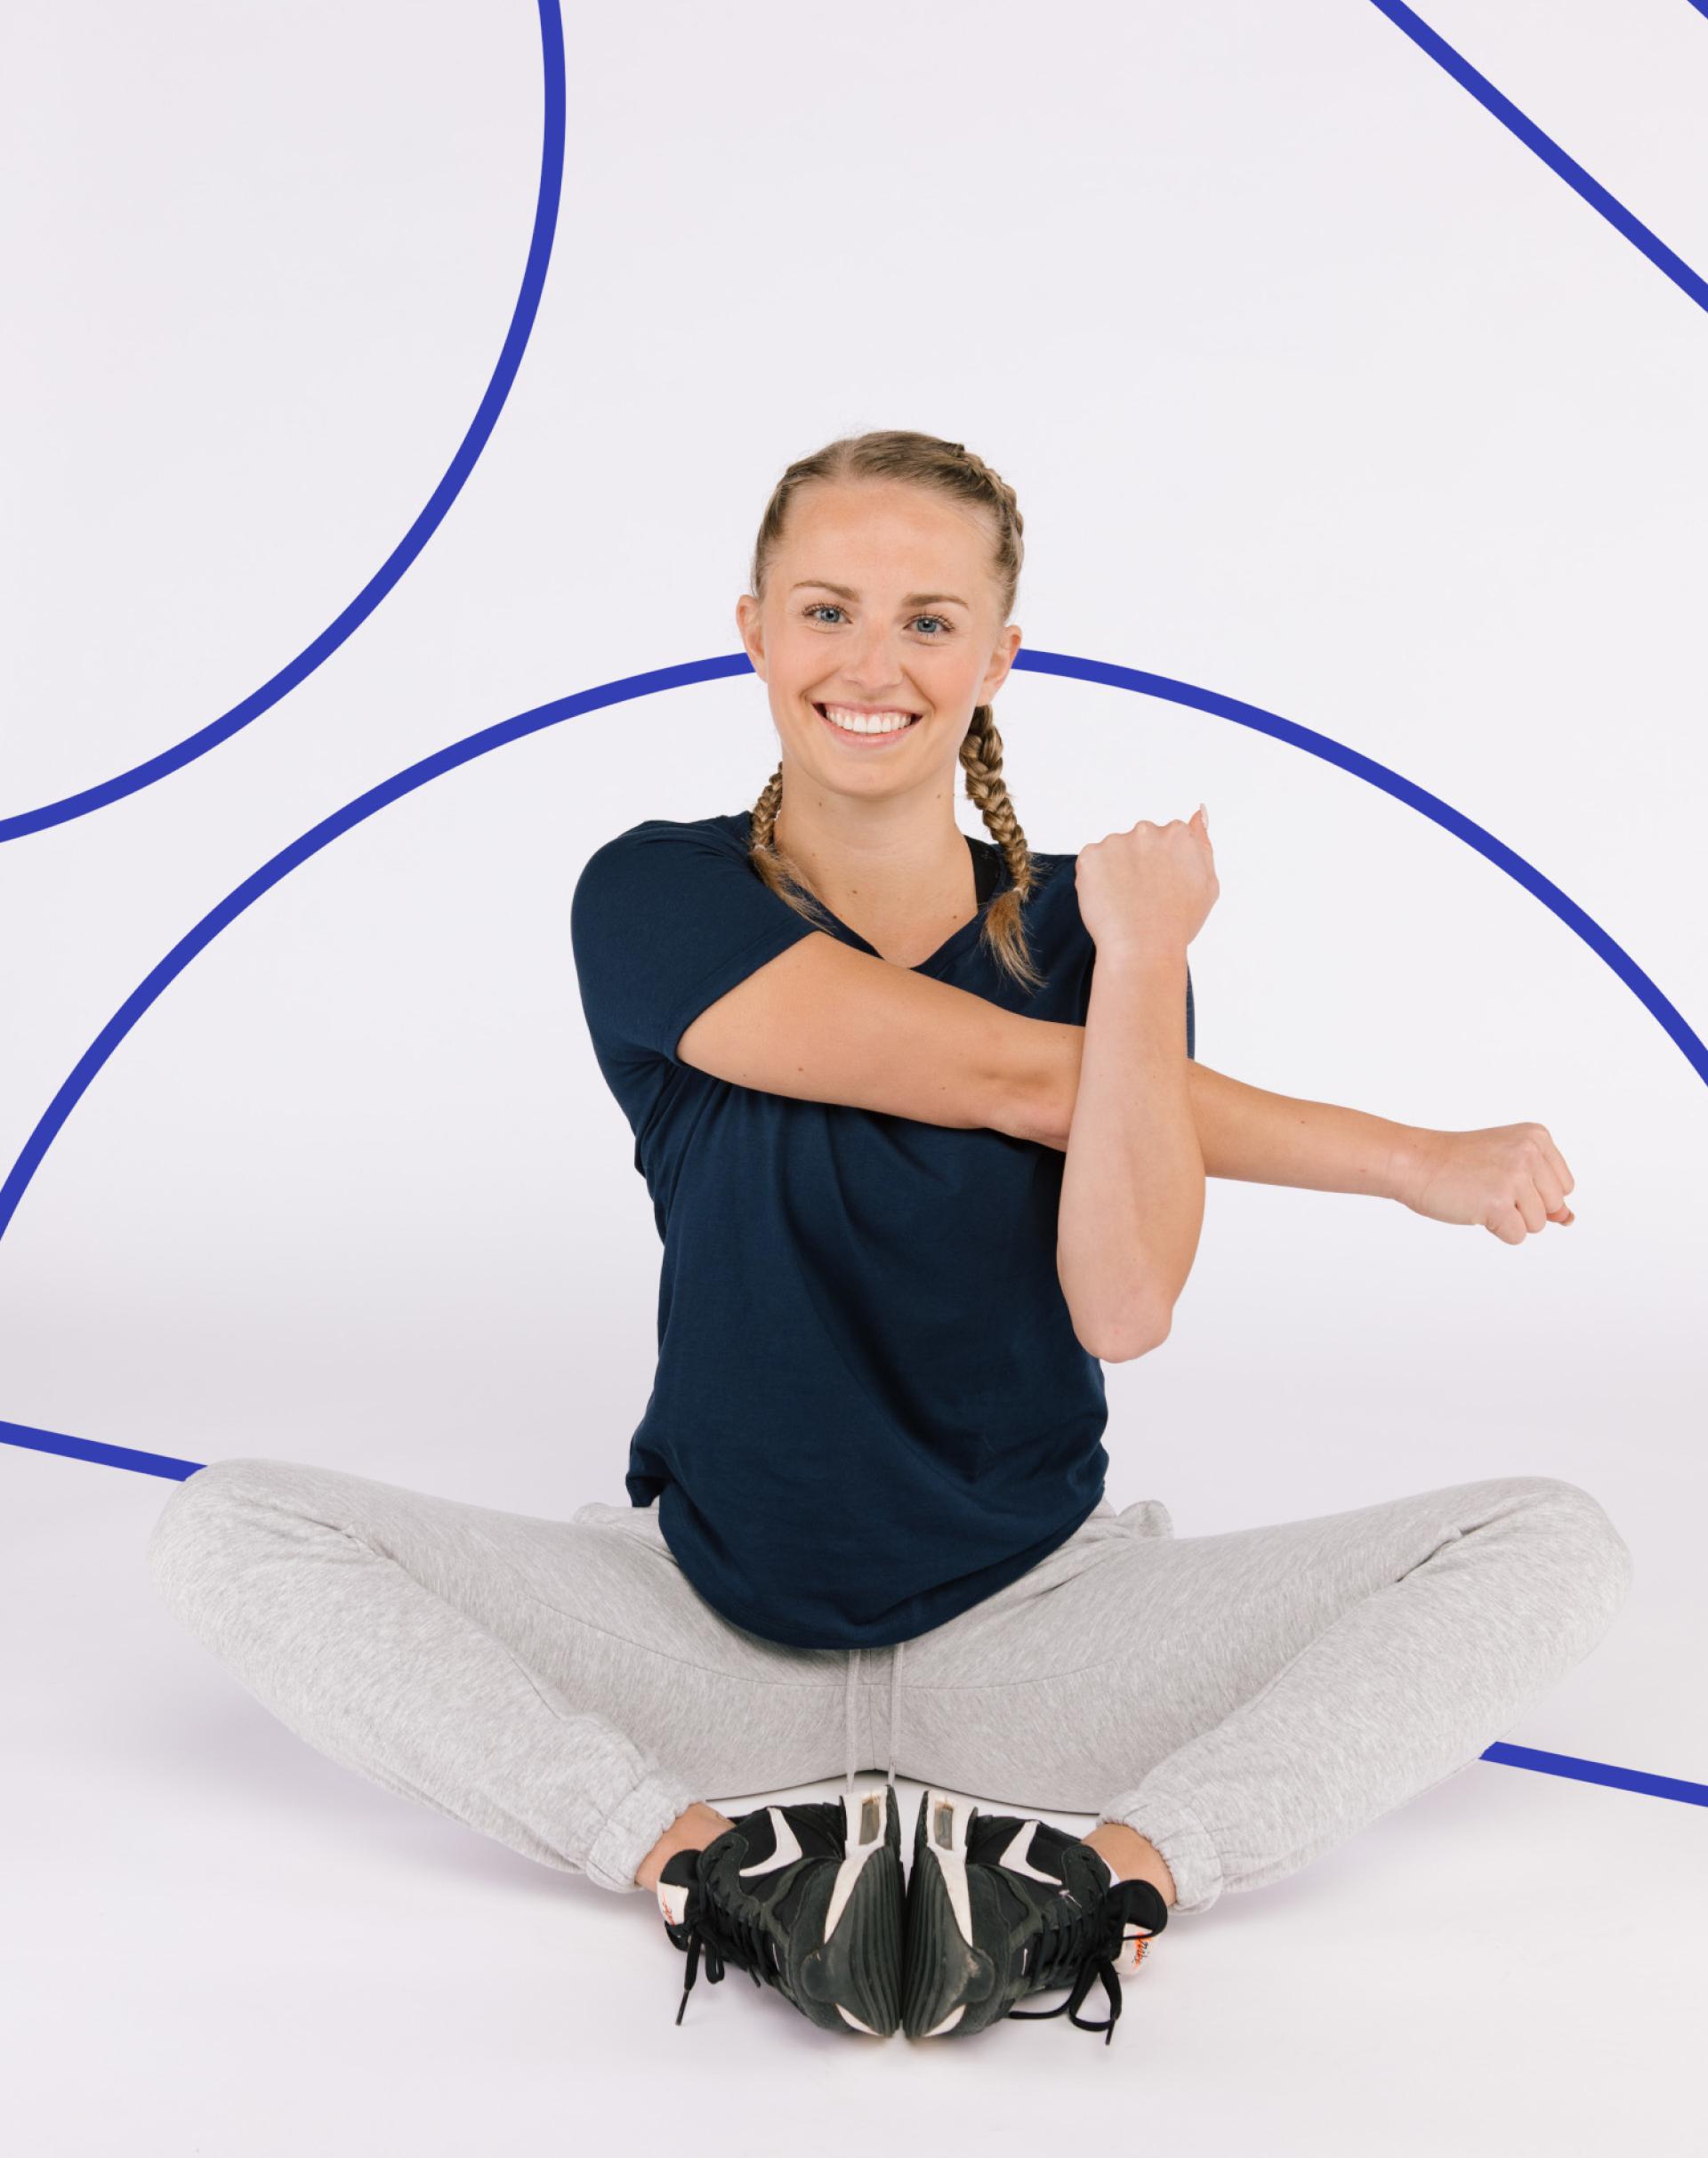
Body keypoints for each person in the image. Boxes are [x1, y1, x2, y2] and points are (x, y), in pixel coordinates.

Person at [145, 429, 1633, 2045]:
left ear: (999, 657)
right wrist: (1411, 1158)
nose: (874, 662)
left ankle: (1097, 1884)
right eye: (828, 610)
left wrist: (1139, 962)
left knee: (1551, 1543)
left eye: (930, 620)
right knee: (232, 1528)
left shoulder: (1100, 938)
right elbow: (994, 1070)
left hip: (1042, 1636)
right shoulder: (655, 899)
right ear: (754, 631)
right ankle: (712, 1868)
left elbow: (1125, 1305)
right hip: (709, 1634)